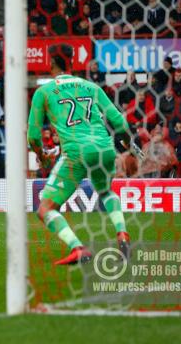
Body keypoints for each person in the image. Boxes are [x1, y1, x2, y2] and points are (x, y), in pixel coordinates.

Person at [27, 45, 133, 265]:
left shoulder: (44, 92)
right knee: (106, 192)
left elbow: (33, 136)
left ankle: (78, 248)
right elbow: (120, 122)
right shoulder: (91, 86)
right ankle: (122, 233)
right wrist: (126, 140)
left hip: (76, 151)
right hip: (104, 148)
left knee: (45, 209)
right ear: (73, 62)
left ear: (50, 63)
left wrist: (42, 154)